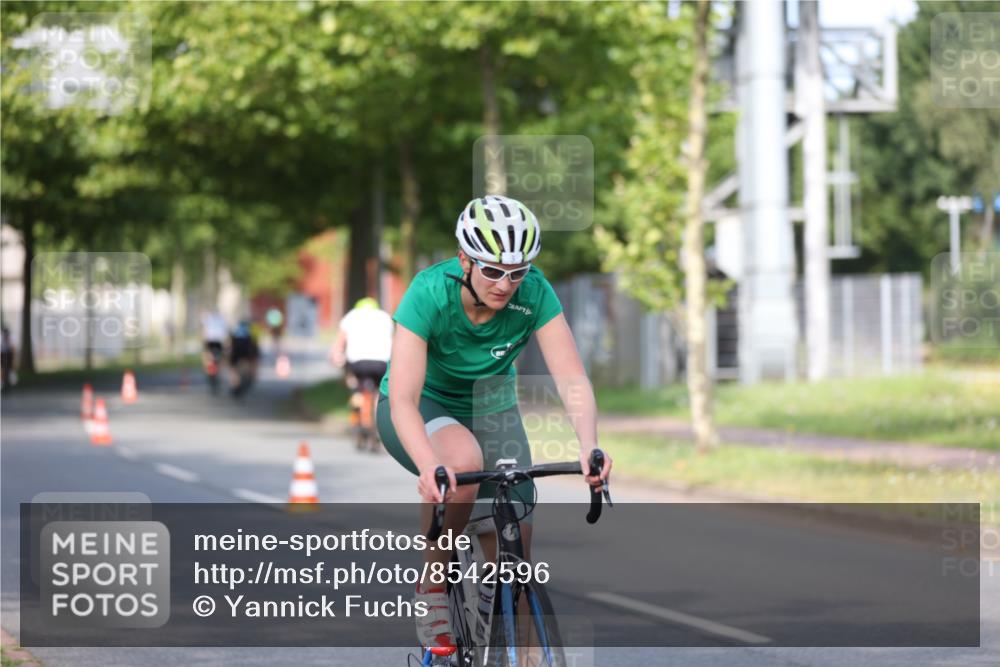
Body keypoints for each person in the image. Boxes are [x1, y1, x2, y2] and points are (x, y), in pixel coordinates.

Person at [375, 195, 612, 649]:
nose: (506, 284)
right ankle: (433, 587)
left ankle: (515, 647)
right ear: (464, 259)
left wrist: (589, 445)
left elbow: (571, 376)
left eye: (517, 272)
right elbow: (403, 397)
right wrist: (429, 465)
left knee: (515, 559)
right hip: (420, 406)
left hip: (492, 408)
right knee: (461, 463)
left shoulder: (535, 291)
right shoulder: (428, 293)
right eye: (492, 271)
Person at [331, 297, 393, 419]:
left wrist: (335, 356)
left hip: (357, 362)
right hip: (382, 362)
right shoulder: (385, 317)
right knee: (378, 391)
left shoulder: (350, 316)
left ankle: (356, 398)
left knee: (353, 380)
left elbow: (340, 343)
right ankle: (377, 420)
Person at [228, 319, 260, 398]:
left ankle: (235, 383)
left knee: (233, 367)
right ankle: (251, 374)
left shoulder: (235, 330)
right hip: (246, 348)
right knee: (249, 362)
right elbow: (254, 346)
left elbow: (230, 343)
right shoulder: (250, 331)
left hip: (236, 348)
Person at [1, 324, 15, 390]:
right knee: (3, 369)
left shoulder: (9, 341)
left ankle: (8, 382)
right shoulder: (2, 342)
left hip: (8, 355)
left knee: (8, 369)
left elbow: (12, 348)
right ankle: (4, 382)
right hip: (3, 355)